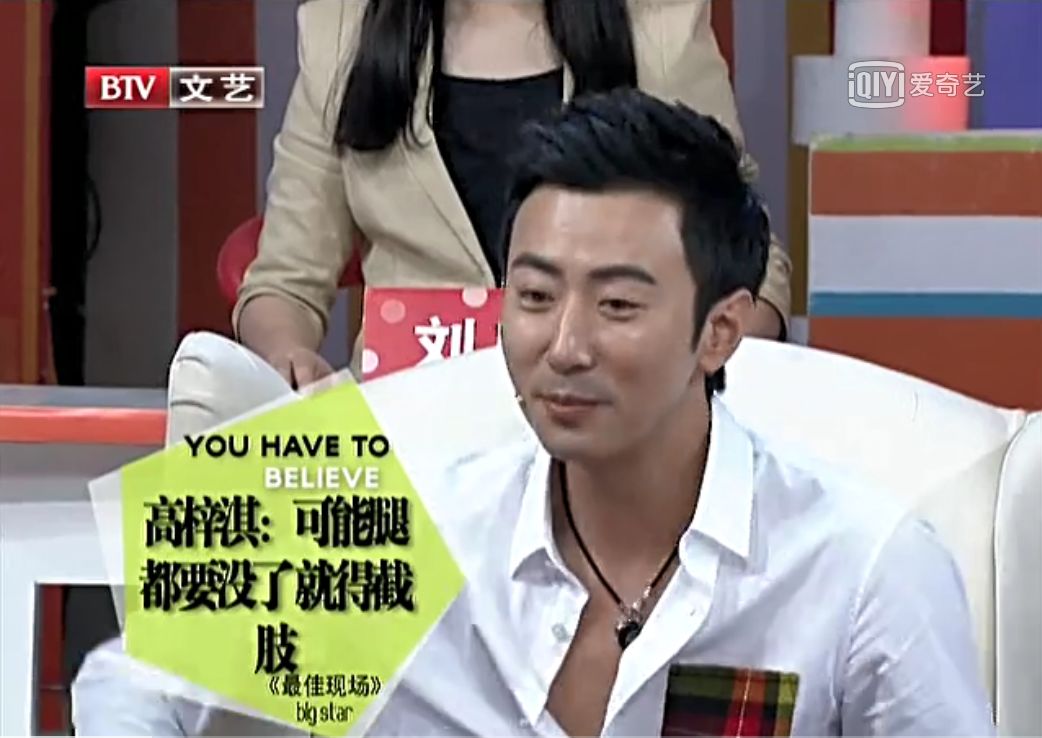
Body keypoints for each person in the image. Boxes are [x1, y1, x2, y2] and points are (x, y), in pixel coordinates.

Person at [72, 89, 993, 737]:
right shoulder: (406, 514)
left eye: (618, 305)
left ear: (720, 332)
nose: (565, 344)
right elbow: (126, 680)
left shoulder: (862, 564)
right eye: (536, 296)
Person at [234, 0, 793, 388]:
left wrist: (685, 379)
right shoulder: (341, 30)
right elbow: (284, 280)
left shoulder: (658, 27)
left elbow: (751, 267)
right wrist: (288, 359)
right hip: (410, 423)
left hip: (612, 418)